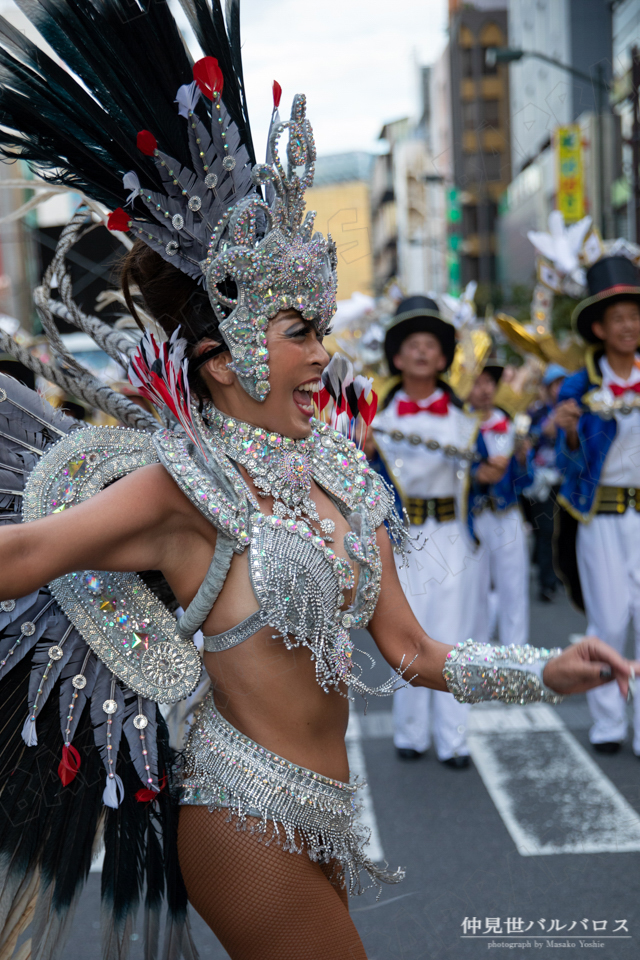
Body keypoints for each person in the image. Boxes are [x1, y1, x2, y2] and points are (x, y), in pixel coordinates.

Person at [0, 6, 635, 960]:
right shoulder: (184, 486)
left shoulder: (340, 468)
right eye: (301, 333)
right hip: (240, 808)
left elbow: (417, 652)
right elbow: (26, 555)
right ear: (221, 360)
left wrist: (548, 670)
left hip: (327, 815)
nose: (322, 357)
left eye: (321, 331)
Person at [371, 300, 487, 769]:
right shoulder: (372, 423)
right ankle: (410, 733)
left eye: (431, 346)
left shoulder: (467, 421)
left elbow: (493, 480)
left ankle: (454, 739)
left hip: (452, 534)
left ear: (444, 359)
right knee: (406, 634)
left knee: (454, 635)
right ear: (397, 358)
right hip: (401, 538)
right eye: (412, 345)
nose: (421, 353)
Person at [556, 254, 640, 758]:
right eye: (618, 318)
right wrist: (567, 431)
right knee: (609, 621)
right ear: (599, 327)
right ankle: (609, 722)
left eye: (635, 316)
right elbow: (565, 458)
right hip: (601, 516)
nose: (629, 325)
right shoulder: (580, 385)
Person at [468, 363, 533, 646]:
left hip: (508, 515)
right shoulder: (458, 424)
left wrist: (521, 459)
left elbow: (525, 481)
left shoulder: (510, 423)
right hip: (474, 517)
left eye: (488, 383)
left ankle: (516, 657)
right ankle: (477, 659)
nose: (483, 390)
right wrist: (476, 474)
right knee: (475, 591)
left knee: (514, 588)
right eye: (476, 382)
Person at [526, 364, 568, 602]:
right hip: (541, 481)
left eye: (563, 383)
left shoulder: (573, 409)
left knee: (564, 531)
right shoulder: (538, 411)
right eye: (556, 383)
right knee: (546, 531)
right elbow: (530, 438)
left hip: (567, 478)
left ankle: (561, 575)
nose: (560, 388)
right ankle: (546, 582)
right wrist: (548, 426)